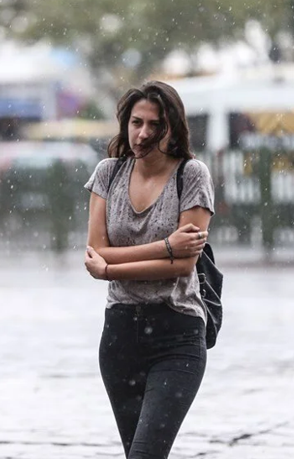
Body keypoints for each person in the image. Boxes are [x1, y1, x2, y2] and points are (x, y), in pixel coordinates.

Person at [83, 80, 215, 459]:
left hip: (177, 335)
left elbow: (183, 264)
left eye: (155, 125)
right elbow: (96, 251)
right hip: (119, 336)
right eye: (136, 122)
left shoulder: (191, 175)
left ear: (172, 128)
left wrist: (111, 269)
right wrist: (166, 247)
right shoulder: (108, 173)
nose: (143, 134)